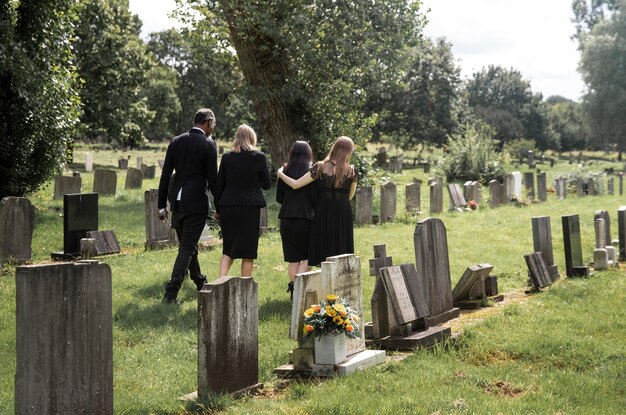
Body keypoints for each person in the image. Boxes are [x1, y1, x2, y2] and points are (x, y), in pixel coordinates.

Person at [158, 108, 218, 304]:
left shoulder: (176, 141)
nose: (213, 128)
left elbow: (166, 174)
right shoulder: (209, 144)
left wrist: (161, 205)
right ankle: (171, 292)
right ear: (208, 122)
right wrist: (219, 206)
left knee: (188, 246)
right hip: (195, 202)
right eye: (213, 124)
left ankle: (200, 282)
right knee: (187, 248)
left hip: (177, 201)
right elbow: (213, 179)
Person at [277, 136, 357, 267]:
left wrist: (281, 174)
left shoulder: (320, 166)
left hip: (324, 211)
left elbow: (296, 184)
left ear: (334, 148)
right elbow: (350, 196)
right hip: (343, 212)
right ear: (349, 151)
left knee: (323, 248)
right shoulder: (352, 170)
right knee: (341, 246)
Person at [214, 124, 271, 277]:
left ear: (236, 138)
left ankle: (221, 281)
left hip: (228, 206)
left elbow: (219, 185)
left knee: (228, 248)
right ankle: (245, 285)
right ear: (252, 138)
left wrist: (217, 209)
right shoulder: (259, 157)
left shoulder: (226, 157)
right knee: (248, 250)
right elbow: (267, 184)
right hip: (249, 208)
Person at [276, 141, 315, 299]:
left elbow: (279, 198)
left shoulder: (284, 170)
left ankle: (294, 289)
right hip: (306, 218)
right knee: (309, 257)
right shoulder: (312, 171)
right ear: (309, 154)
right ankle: (299, 291)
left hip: (287, 218)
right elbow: (315, 198)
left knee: (293, 259)